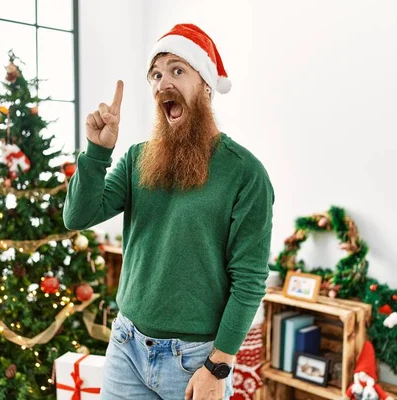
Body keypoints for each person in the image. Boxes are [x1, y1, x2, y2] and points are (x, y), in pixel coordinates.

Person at [64, 23, 275, 400]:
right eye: (156, 75)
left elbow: (249, 281)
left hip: (195, 361)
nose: (163, 84)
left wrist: (218, 366)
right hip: (126, 346)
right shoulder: (136, 159)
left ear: (206, 85)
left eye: (177, 70)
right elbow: (77, 217)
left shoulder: (246, 173)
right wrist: (96, 152)